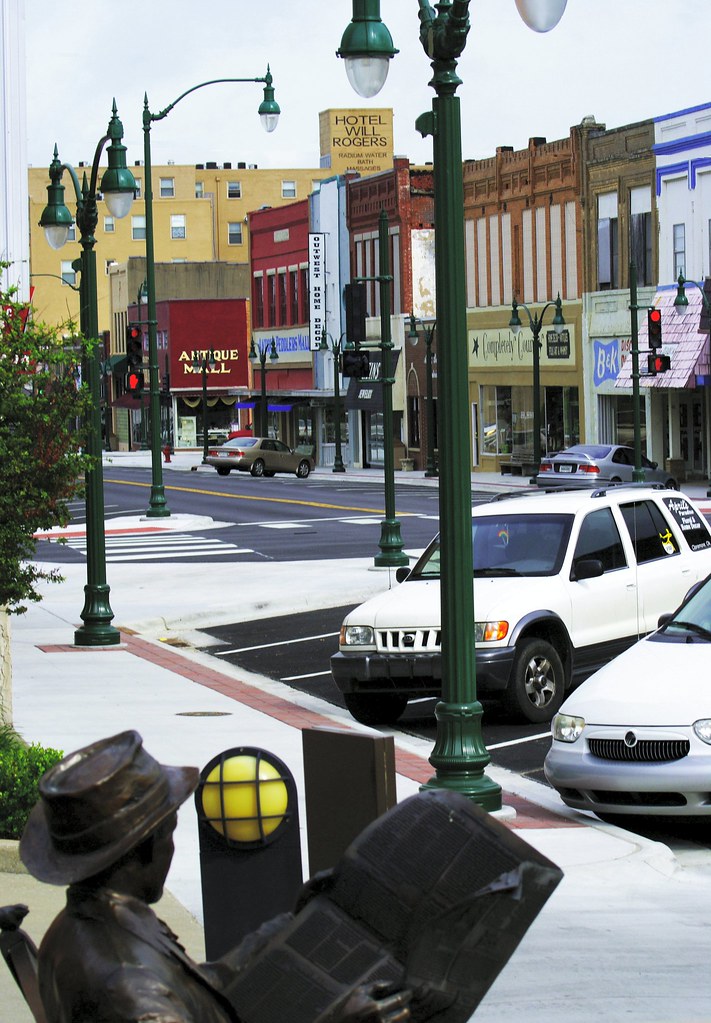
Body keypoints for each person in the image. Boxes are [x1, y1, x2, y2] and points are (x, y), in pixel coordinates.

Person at [20, 730, 411, 1023]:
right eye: (170, 833)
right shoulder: (131, 993)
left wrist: (290, 922)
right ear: (147, 847)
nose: (173, 848)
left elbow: (195, 986)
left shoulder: (86, 921)